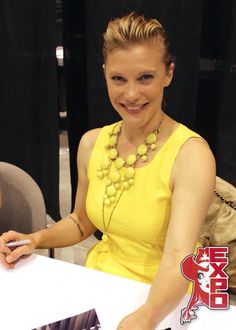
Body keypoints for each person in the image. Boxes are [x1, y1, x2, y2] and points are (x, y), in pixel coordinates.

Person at [0, 12, 215, 330]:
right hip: (100, 286)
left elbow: (179, 259)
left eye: (145, 77)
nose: (130, 94)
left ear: (168, 74)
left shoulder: (192, 155)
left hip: (167, 298)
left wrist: (144, 318)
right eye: (119, 79)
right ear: (104, 75)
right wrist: (36, 238)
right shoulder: (92, 143)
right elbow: (80, 222)